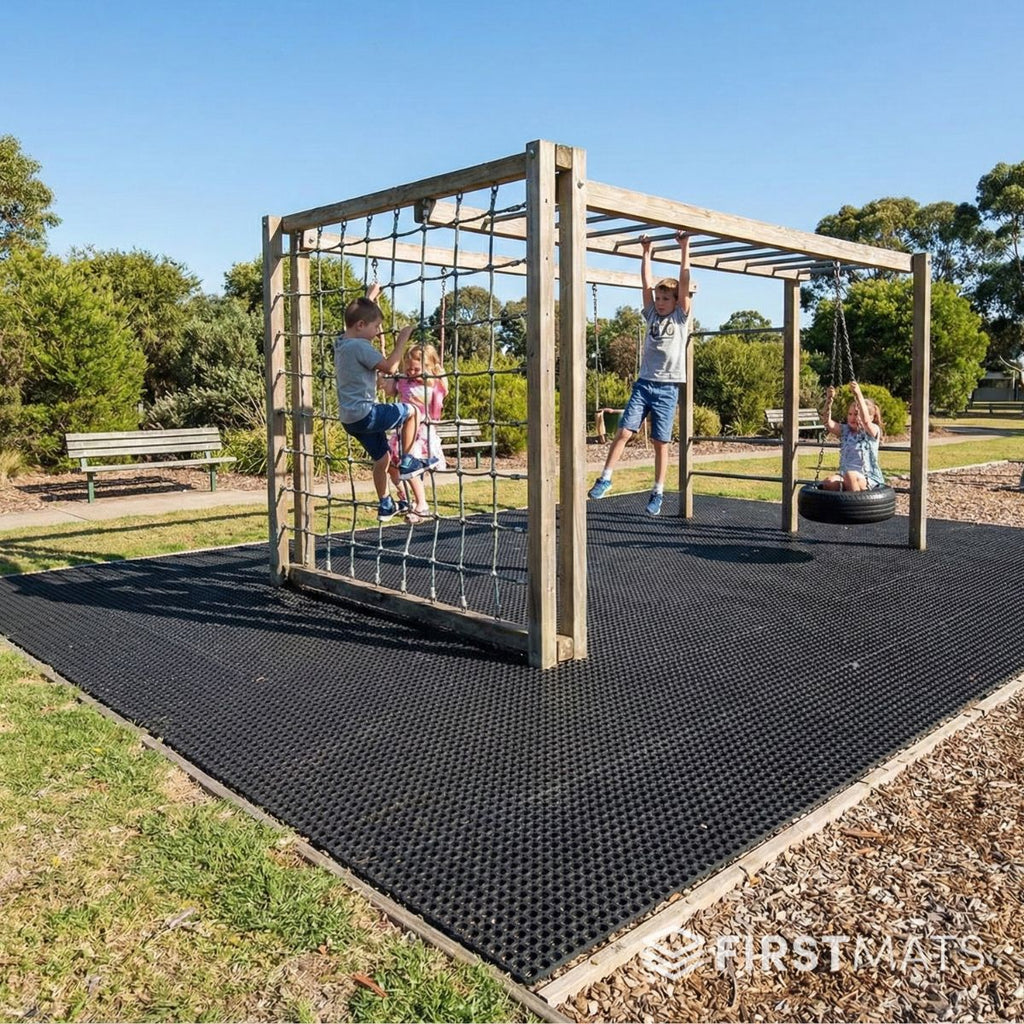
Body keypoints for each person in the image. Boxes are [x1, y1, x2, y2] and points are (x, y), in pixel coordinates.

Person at [588, 230, 693, 515]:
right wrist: (646, 252)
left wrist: (685, 247)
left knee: (661, 442)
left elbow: (683, 282)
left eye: (665, 298)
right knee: (623, 431)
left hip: (668, 387)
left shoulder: (680, 318)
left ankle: (658, 492)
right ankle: (606, 478)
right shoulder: (650, 315)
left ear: (676, 301)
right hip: (644, 384)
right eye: (658, 298)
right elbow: (645, 283)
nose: (659, 302)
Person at [334, 285, 437, 521]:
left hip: (349, 420)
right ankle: (410, 460)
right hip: (367, 414)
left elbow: (353, 321)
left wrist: (369, 299)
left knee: (382, 460)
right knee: (412, 412)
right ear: (361, 326)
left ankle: (385, 504)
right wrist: (402, 340)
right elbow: (390, 367)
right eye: (375, 327)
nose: (378, 332)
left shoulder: (341, 343)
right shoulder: (360, 346)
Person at [383, 343, 448, 524]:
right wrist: (385, 377)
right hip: (403, 431)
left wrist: (437, 370)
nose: (411, 372)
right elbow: (389, 390)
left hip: (422, 432)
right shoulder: (403, 381)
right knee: (389, 464)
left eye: (416, 369)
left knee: (409, 465)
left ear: (428, 368)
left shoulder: (434, 383)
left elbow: (445, 389)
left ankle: (422, 505)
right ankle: (405, 498)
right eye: (408, 368)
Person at [820, 381, 885, 490]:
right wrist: (829, 400)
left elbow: (866, 422)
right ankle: (838, 505)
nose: (852, 418)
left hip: (867, 477)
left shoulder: (872, 431)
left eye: (856, 414)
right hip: (844, 475)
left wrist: (858, 395)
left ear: (871, 417)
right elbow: (827, 423)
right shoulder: (846, 431)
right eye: (850, 414)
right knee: (828, 482)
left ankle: (856, 506)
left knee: (850, 476)